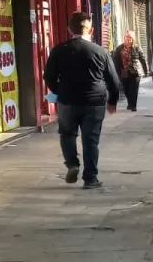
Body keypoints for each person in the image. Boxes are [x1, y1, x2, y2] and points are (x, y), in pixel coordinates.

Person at [42, 12, 119, 189]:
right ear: (91, 30)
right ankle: (91, 178)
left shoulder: (59, 50)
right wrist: (112, 101)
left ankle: (72, 164)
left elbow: (49, 76)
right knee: (91, 139)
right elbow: (113, 80)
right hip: (94, 101)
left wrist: (59, 92)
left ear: (70, 29)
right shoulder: (100, 51)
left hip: (68, 100)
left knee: (67, 134)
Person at [112, 31, 147, 112]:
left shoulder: (137, 48)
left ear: (133, 39)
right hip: (124, 72)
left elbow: (143, 59)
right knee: (126, 89)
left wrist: (146, 70)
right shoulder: (119, 48)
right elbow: (115, 60)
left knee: (134, 89)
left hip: (135, 71)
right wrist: (116, 71)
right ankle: (130, 103)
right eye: (127, 37)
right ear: (124, 38)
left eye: (130, 37)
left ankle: (133, 105)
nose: (128, 39)